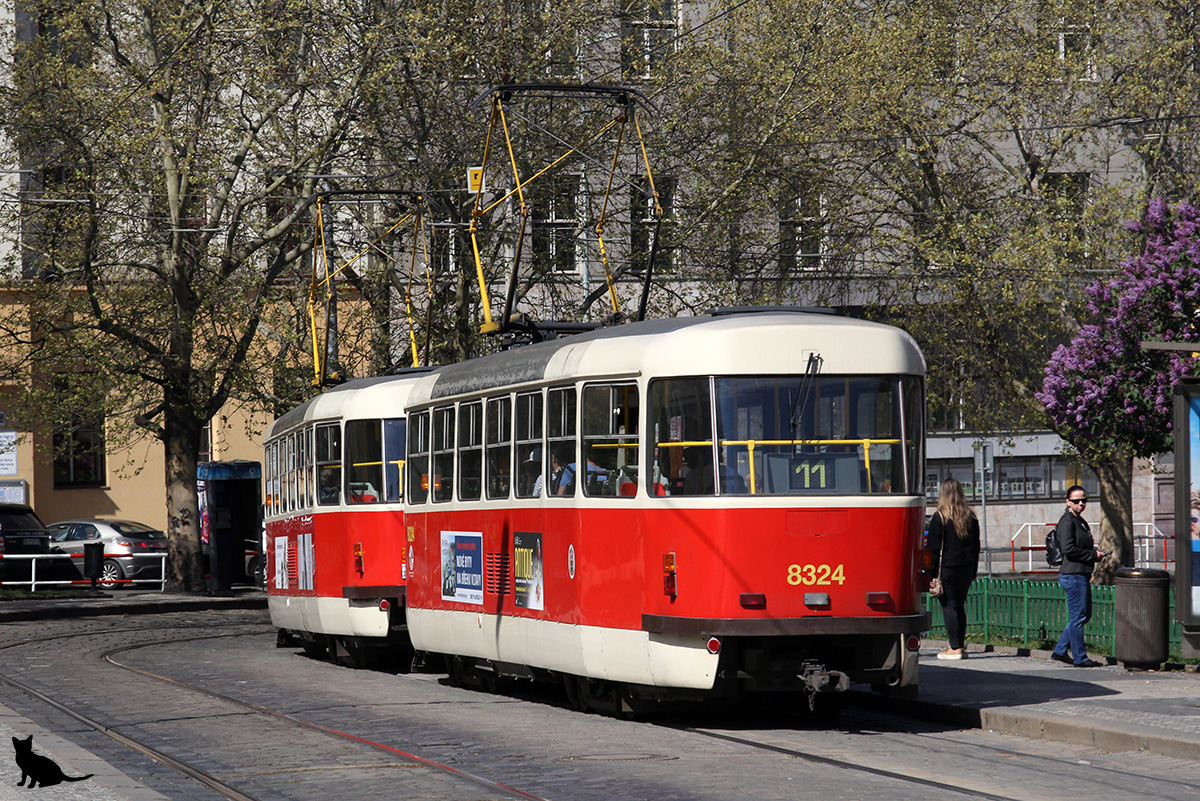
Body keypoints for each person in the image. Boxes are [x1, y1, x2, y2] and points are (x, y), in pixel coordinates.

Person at [926, 477, 981, 660]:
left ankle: (955, 647)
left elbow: (933, 549)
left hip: (946, 568)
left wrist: (930, 574)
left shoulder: (940, 517)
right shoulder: (970, 517)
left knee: (948, 606)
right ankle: (958, 644)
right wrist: (973, 571)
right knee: (959, 605)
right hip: (965, 569)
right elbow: (975, 547)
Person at [1051, 485, 1105, 668]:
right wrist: (1093, 555)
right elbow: (1068, 549)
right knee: (1078, 617)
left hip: (1081, 573)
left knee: (1083, 615)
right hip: (1072, 574)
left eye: (1084, 500)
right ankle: (1080, 657)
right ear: (1067, 502)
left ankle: (1060, 651)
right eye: (1076, 501)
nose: (1080, 504)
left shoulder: (1080, 521)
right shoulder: (1067, 522)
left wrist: (1093, 554)